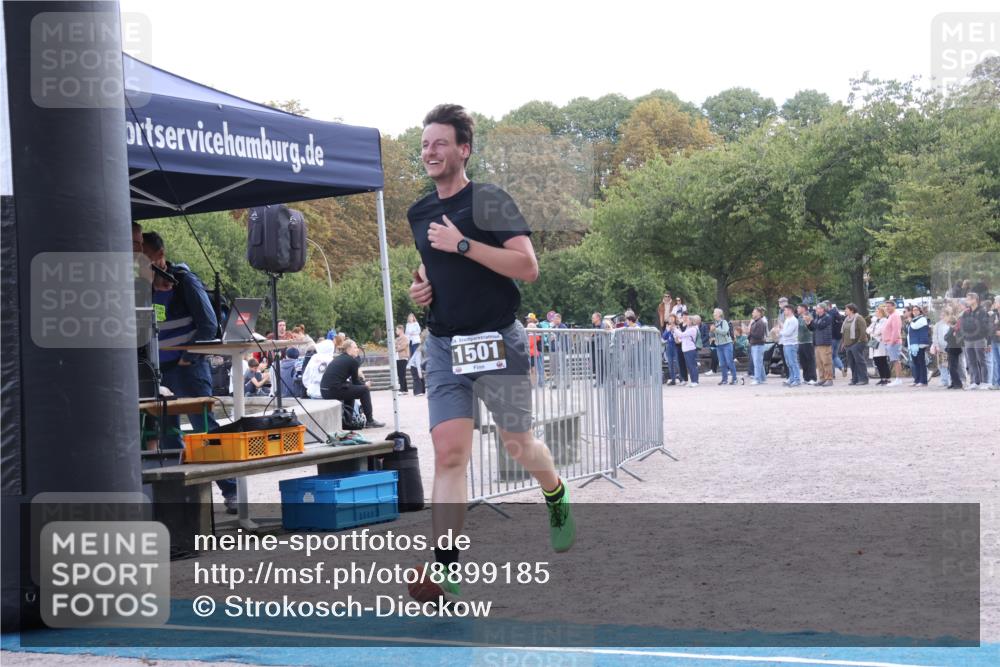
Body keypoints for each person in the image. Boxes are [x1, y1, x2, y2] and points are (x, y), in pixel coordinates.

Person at [405, 104, 574, 605]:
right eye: (424, 144)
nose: (429, 151)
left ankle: (555, 492)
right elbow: (430, 266)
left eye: (439, 143)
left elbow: (527, 267)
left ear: (464, 149)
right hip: (444, 346)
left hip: (497, 341)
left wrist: (462, 246)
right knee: (449, 454)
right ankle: (447, 571)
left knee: (518, 445)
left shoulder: (490, 201)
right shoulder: (419, 211)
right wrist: (422, 288)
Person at [141, 231, 237, 513]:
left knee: (203, 428)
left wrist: (186, 358)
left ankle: (230, 491)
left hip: (188, 371)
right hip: (160, 373)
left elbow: (208, 324)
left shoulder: (185, 282)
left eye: (143, 257)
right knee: (169, 435)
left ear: (159, 255)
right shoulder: (141, 287)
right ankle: (180, 498)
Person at [320, 339, 385, 428]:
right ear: (348, 349)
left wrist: (361, 384)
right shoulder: (352, 361)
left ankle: (348, 422)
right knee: (364, 390)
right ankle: (370, 421)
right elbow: (356, 382)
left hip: (325, 390)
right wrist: (365, 385)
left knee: (351, 390)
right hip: (332, 390)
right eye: (355, 347)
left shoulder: (340, 358)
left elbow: (353, 383)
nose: (357, 349)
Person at [959, 292, 991, 389]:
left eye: (968, 299)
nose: (967, 301)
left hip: (979, 339)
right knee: (972, 361)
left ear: (975, 300)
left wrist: (973, 328)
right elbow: (962, 325)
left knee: (982, 361)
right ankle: (975, 382)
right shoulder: (966, 312)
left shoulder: (982, 311)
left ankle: (985, 382)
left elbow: (984, 326)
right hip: (968, 340)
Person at [841, 303, 869, 386]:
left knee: (859, 361)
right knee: (852, 362)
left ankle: (863, 379)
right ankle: (855, 379)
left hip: (858, 343)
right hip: (848, 344)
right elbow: (844, 332)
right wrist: (843, 342)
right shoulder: (846, 319)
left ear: (852, 310)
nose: (845, 310)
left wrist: (859, 342)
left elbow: (863, 331)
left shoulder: (859, 318)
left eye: (846, 309)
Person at [806, 302, 834, 386]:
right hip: (817, 343)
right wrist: (808, 323)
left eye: (818, 308)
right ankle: (822, 378)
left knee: (826, 362)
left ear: (822, 309)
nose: (816, 310)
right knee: (819, 363)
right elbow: (813, 328)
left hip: (824, 343)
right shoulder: (817, 317)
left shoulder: (827, 317)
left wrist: (811, 320)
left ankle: (829, 379)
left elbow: (820, 326)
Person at [881, 300, 904, 387]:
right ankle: (898, 379)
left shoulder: (895, 316)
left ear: (894, 307)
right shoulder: (890, 316)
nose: (887, 308)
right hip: (889, 342)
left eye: (889, 306)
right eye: (886, 306)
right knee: (894, 360)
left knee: (896, 360)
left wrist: (892, 341)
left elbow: (896, 330)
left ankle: (898, 379)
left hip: (893, 342)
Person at [711, 308, 737, 385]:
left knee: (729, 362)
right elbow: (716, 333)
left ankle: (735, 379)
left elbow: (725, 332)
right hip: (719, 346)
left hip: (727, 345)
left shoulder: (724, 322)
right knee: (722, 363)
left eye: (715, 312)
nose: (713, 314)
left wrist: (715, 330)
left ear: (719, 314)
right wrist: (713, 336)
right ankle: (724, 380)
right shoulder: (715, 323)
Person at [906, 305, 930, 387]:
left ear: (920, 311)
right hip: (913, 344)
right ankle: (917, 380)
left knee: (921, 362)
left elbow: (914, 326)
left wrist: (910, 321)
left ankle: (923, 381)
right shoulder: (914, 320)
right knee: (915, 362)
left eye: (916, 310)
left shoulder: (922, 319)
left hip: (920, 343)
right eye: (913, 310)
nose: (914, 311)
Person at [779, 304, 802, 387]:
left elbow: (788, 333)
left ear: (790, 310)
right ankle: (791, 378)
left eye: (785, 310)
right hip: (786, 343)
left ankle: (797, 379)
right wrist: (782, 331)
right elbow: (785, 331)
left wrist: (780, 332)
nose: (784, 312)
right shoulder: (787, 319)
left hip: (791, 344)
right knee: (789, 363)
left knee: (793, 362)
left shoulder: (793, 320)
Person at [867, 304, 891, 385]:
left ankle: (886, 378)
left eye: (877, 311)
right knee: (877, 361)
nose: (875, 313)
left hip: (880, 343)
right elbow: (868, 329)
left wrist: (873, 332)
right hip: (874, 342)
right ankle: (882, 378)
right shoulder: (875, 321)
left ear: (881, 312)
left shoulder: (884, 320)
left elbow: (879, 331)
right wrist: (872, 332)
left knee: (882, 360)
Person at [676, 313, 700, 386]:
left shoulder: (693, 329)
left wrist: (674, 329)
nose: (687, 321)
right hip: (686, 349)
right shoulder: (688, 328)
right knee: (689, 366)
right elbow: (683, 338)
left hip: (690, 349)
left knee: (692, 366)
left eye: (688, 320)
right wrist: (679, 340)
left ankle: (695, 381)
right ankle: (693, 381)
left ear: (691, 321)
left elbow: (681, 335)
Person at [796, 304, 817, 385]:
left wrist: (806, 321)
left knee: (810, 360)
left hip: (808, 341)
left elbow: (807, 327)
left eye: (799, 308)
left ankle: (813, 378)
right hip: (801, 341)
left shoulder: (808, 315)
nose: (797, 309)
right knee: (803, 361)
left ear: (803, 309)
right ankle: (806, 378)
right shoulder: (800, 317)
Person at [748, 307, 767, 385]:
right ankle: (762, 378)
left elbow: (758, 335)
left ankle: (757, 379)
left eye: (754, 312)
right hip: (754, 344)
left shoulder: (760, 322)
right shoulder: (755, 322)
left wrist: (749, 331)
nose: (752, 313)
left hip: (758, 345)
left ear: (759, 313)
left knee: (757, 363)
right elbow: (752, 333)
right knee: (759, 362)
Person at [662, 315, 680, 385]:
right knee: (670, 364)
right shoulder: (667, 327)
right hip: (669, 346)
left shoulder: (677, 326)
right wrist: (668, 330)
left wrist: (674, 329)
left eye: (672, 318)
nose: (671, 319)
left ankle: (681, 378)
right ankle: (673, 379)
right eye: (670, 318)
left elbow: (679, 336)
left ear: (675, 319)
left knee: (678, 363)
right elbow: (663, 337)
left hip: (675, 346)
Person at [394, 324, 410, 394]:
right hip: (397, 358)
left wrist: (397, 347)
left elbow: (403, 346)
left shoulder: (405, 338)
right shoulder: (397, 339)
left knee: (402, 374)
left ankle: (401, 389)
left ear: (401, 330)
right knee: (400, 374)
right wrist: (397, 346)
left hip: (403, 357)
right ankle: (405, 389)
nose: (396, 331)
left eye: (397, 330)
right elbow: (394, 346)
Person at [989, 296, 1000, 390]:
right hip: (994, 341)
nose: (994, 304)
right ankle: (996, 383)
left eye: (995, 302)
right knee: (996, 362)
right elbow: (990, 328)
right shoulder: (993, 315)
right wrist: (996, 329)